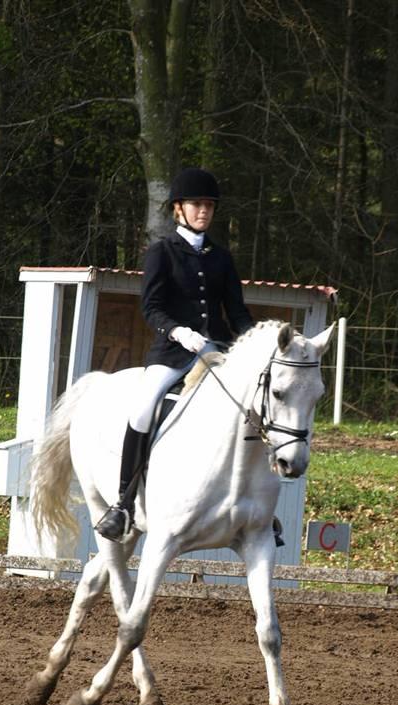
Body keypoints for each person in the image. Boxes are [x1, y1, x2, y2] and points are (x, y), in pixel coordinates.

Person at [94, 166, 254, 541]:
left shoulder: (222, 258)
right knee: (143, 407)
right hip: (171, 352)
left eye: (210, 205)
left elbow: (238, 312)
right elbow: (151, 308)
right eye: (197, 204)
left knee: (253, 408)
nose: (205, 211)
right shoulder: (161, 252)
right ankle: (123, 503)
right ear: (178, 209)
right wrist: (180, 332)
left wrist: (255, 342)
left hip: (216, 352)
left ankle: (256, 503)